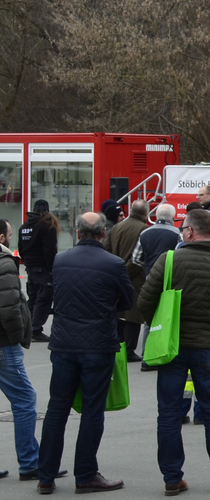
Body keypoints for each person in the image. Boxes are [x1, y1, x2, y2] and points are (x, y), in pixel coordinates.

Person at [136, 208, 210, 494]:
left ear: (190, 232)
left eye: (183, 228)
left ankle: (172, 479)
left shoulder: (169, 260)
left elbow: (145, 301)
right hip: (208, 348)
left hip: (172, 348)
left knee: (169, 414)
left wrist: (159, 324)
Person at [35, 213, 134, 493]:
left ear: (77, 233)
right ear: (103, 233)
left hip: (64, 343)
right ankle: (86, 474)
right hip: (98, 345)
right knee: (92, 411)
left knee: (57, 409)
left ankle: (46, 476)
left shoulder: (61, 260)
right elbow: (128, 300)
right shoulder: (114, 264)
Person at [0, 218, 52, 483]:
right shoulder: (4, 261)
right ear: (1, 237)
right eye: (9, 234)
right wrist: (17, 336)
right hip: (3, 344)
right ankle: (30, 463)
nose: (12, 239)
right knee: (24, 401)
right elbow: (9, 305)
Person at [104, 200, 147, 363]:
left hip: (115, 274)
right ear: (145, 214)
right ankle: (129, 349)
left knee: (119, 312)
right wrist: (124, 273)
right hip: (134, 277)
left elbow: (106, 249)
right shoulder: (143, 229)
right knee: (133, 314)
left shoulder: (117, 227)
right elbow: (138, 259)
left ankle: (119, 345)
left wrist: (114, 272)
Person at [19, 200, 59, 342]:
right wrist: (51, 268)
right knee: (44, 297)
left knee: (34, 297)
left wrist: (28, 263)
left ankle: (27, 327)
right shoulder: (47, 226)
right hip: (43, 267)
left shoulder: (24, 226)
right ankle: (35, 329)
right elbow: (50, 250)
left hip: (30, 267)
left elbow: (21, 249)